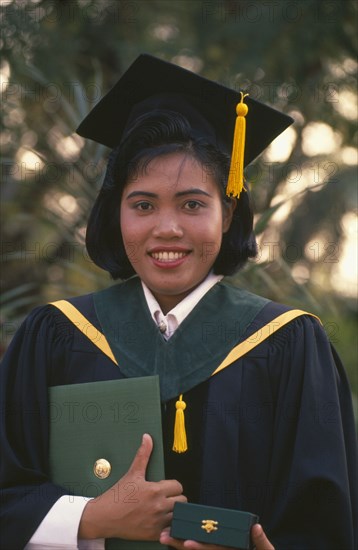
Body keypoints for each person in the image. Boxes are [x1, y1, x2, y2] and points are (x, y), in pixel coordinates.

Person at [1, 54, 357, 550]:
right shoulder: (57, 335)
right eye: (142, 205)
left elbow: (326, 523)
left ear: (228, 213)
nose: (167, 229)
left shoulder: (290, 344)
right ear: (116, 213)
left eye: (193, 204)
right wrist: (92, 518)